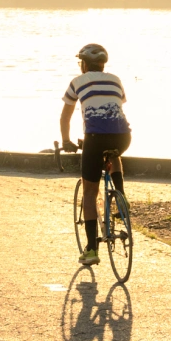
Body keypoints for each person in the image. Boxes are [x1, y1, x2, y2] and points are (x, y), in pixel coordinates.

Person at [60, 43, 131, 266]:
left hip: (95, 139)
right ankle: (121, 200)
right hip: (123, 137)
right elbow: (116, 107)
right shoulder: (116, 80)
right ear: (102, 64)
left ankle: (91, 249)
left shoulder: (76, 82)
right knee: (114, 154)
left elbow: (65, 117)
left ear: (83, 64)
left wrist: (66, 141)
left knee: (90, 193)